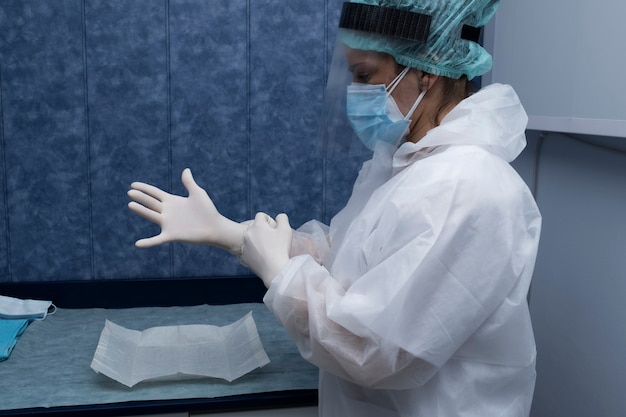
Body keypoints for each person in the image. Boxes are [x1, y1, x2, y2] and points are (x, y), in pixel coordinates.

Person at [127, 0, 541, 415]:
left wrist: (282, 274)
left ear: (427, 70)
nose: (354, 93)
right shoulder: (406, 164)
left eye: (365, 75)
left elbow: (376, 350)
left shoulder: (468, 188)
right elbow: (348, 259)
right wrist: (236, 236)